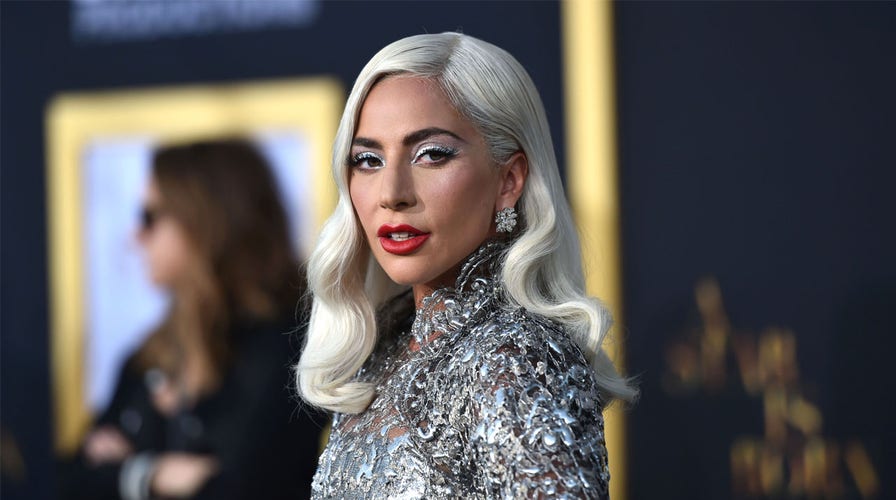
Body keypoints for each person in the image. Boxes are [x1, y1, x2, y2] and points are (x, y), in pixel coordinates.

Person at [296, 32, 638, 499]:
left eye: (431, 154)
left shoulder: (515, 357)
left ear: (509, 180)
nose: (391, 192)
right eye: (368, 159)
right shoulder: (385, 349)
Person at [59, 139, 324, 500]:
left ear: (207, 222)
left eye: (150, 216)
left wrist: (126, 466)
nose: (136, 236)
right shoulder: (152, 352)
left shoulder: (292, 345)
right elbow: (74, 479)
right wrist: (154, 475)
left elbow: (240, 486)